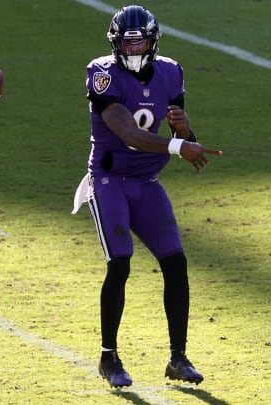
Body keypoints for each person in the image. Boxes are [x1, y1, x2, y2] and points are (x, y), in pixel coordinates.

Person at [72, 5, 223, 388]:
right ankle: (109, 357)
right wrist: (178, 146)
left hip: (146, 183)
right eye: (127, 41)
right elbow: (130, 134)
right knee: (120, 263)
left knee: (176, 263)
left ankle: (178, 357)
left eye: (140, 40)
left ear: (153, 41)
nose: (134, 48)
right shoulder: (103, 74)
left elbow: (180, 131)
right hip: (109, 181)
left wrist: (187, 133)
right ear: (115, 43)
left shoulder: (171, 73)